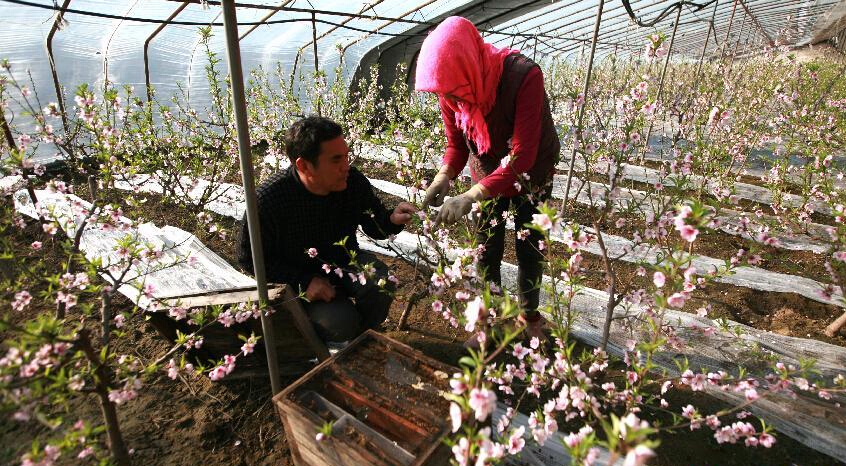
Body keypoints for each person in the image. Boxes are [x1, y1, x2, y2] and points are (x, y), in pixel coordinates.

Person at [415, 16, 561, 341]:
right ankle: (488, 316)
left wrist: (470, 196)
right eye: (444, 93)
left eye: (453, 92)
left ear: (467, 64)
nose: (451, 101)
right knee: (485, 248)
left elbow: (523, 156)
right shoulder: (449, 88)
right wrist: (443, 178)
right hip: (487, 173)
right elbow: (456, 145)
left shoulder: (524, 76)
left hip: (531, 175)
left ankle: (529, 315)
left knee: (529, 246)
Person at [237, 116, 417, 344]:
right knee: (340, 323)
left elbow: (374, 224)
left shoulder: (352, 182)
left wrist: (392, 219)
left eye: (346, 156)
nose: (345, 166)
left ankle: (364, 338)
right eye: (335, 160)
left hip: (343, 261)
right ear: (303, 165)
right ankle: (333, 337)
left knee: (381, 284)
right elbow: (249, 259)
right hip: (298, 278)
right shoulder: (269, 200)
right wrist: (302, 281)